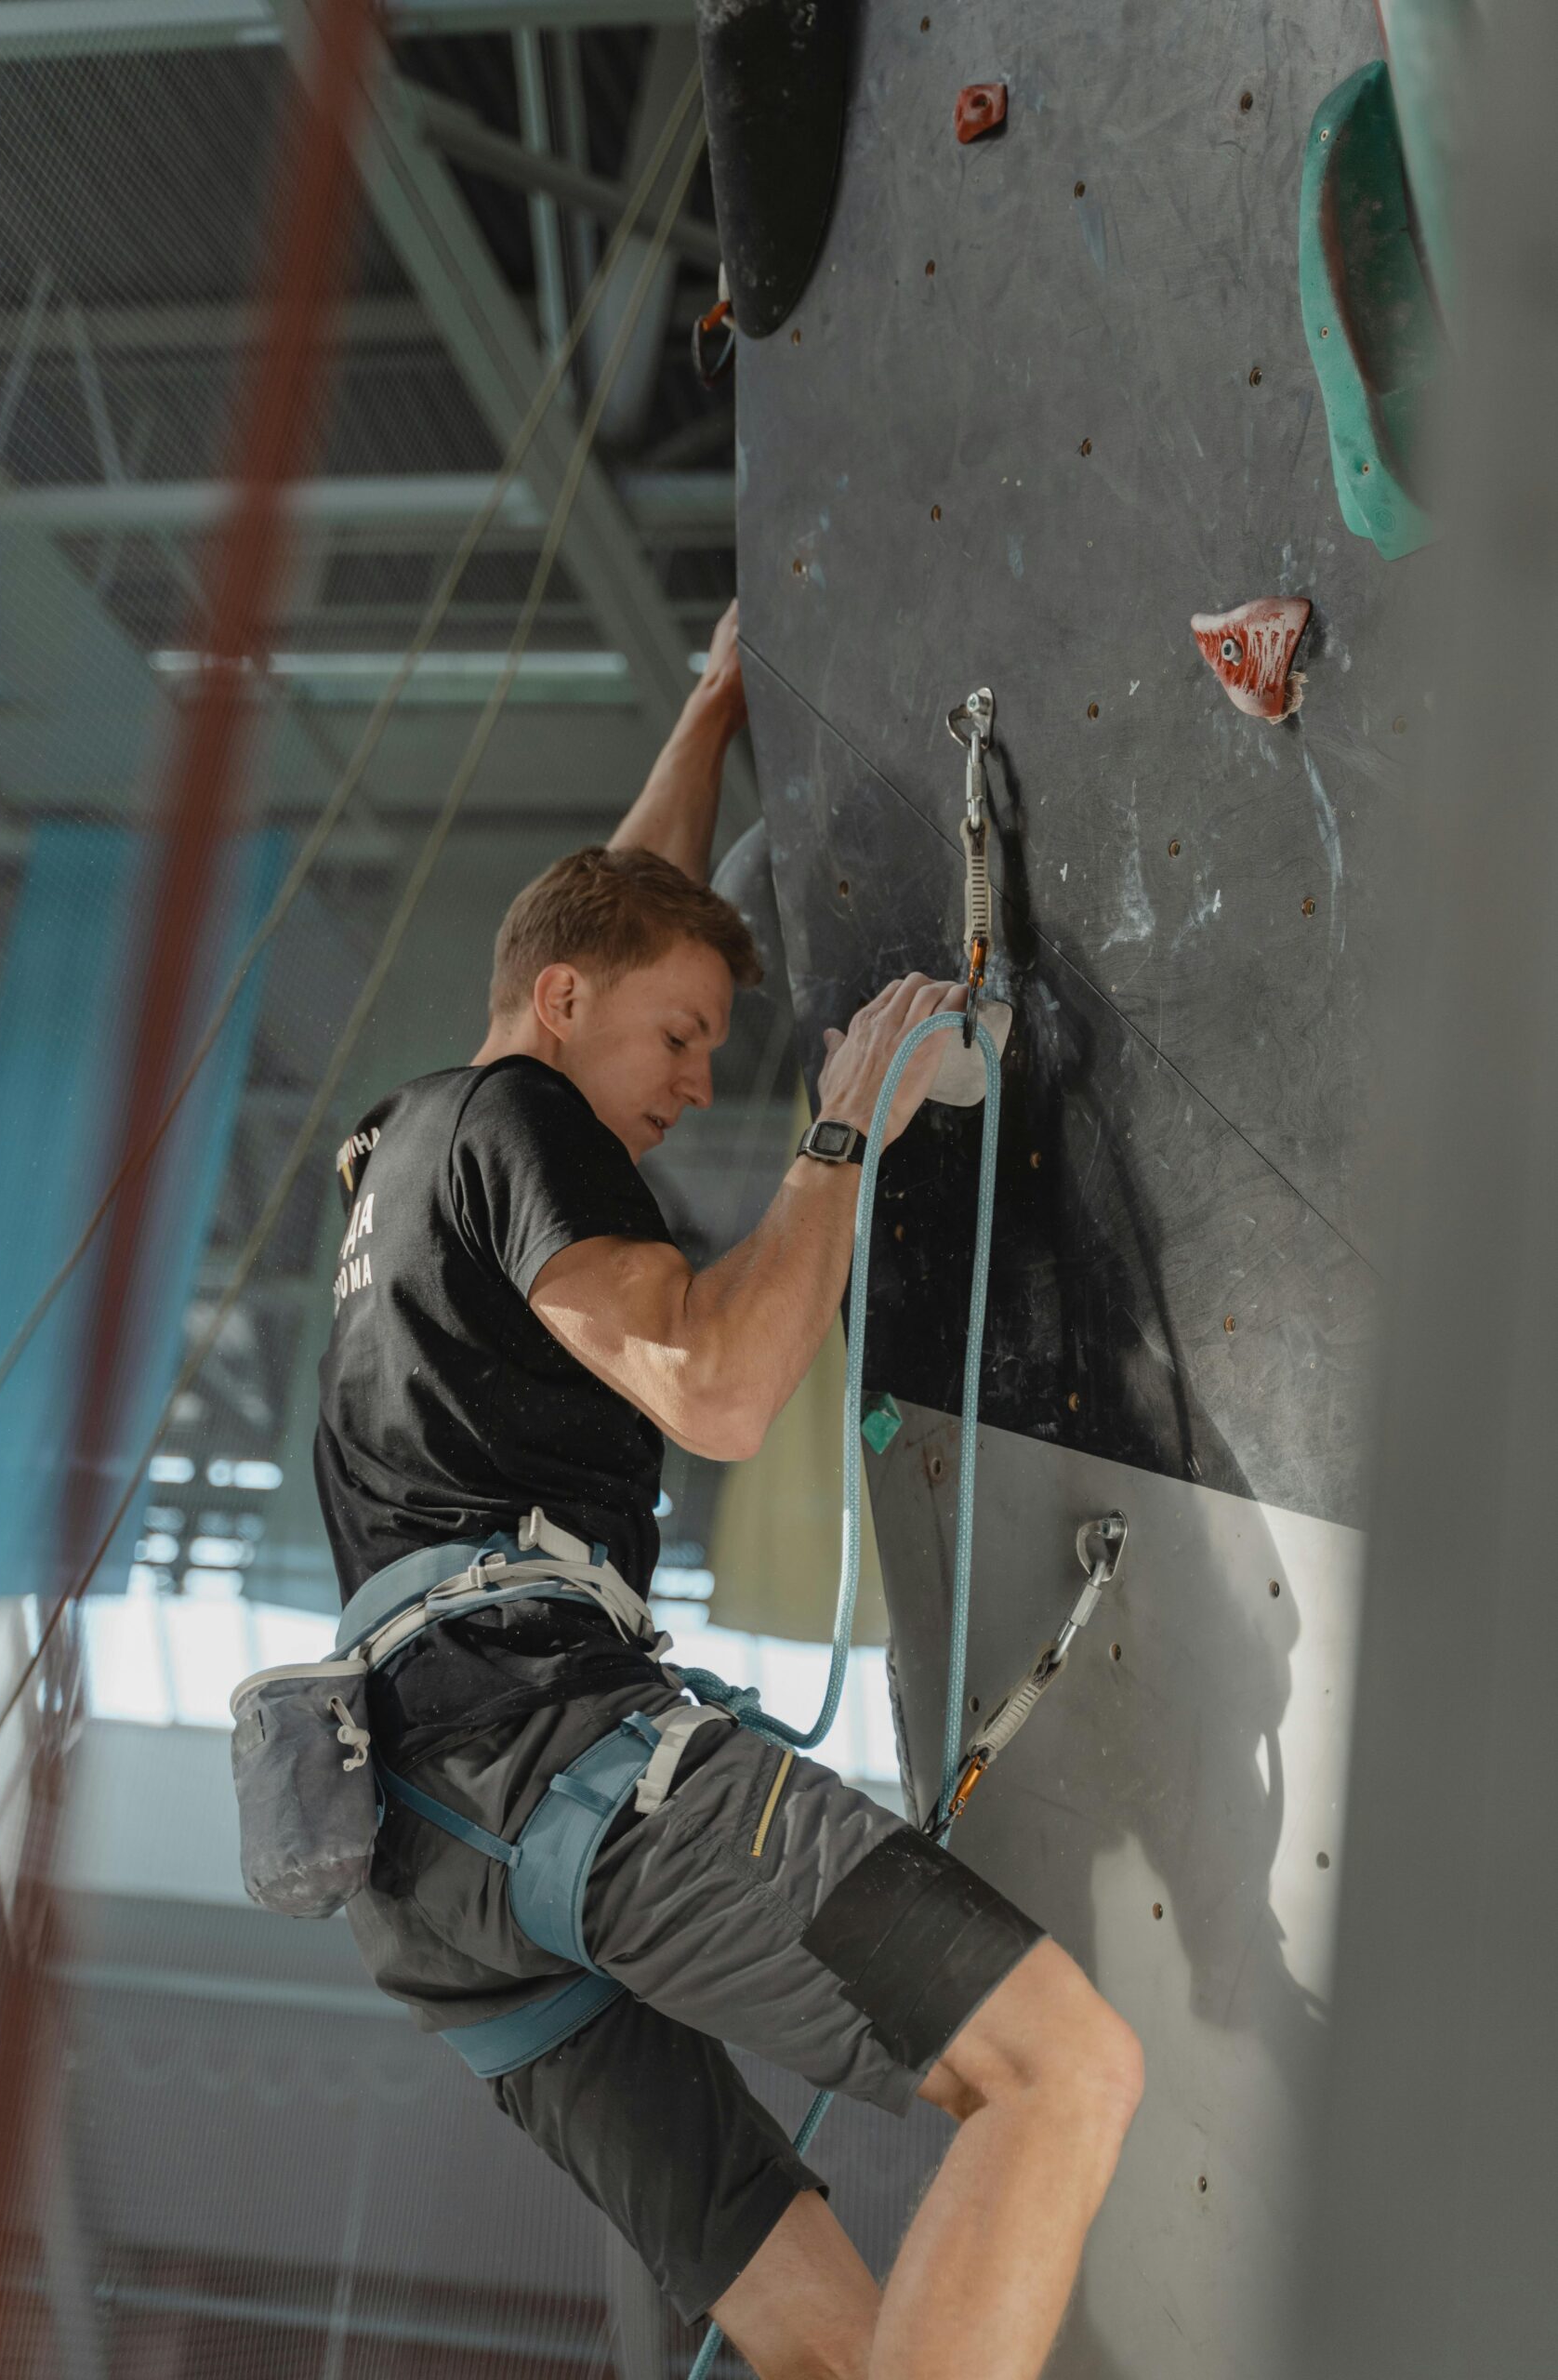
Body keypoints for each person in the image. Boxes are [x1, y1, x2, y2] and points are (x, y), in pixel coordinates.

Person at [315, 602, 1142, 2380]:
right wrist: (844, 1127)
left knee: (830, 2343)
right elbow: (719, 1386)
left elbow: (607, 927)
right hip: (547, 1762)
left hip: (428, 1869)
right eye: (682, 1043)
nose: (699, 1083)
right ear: (563, 1015)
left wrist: (710, 708)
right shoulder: (527, 1113)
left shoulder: (429, 1132)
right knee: (1058, 2066)